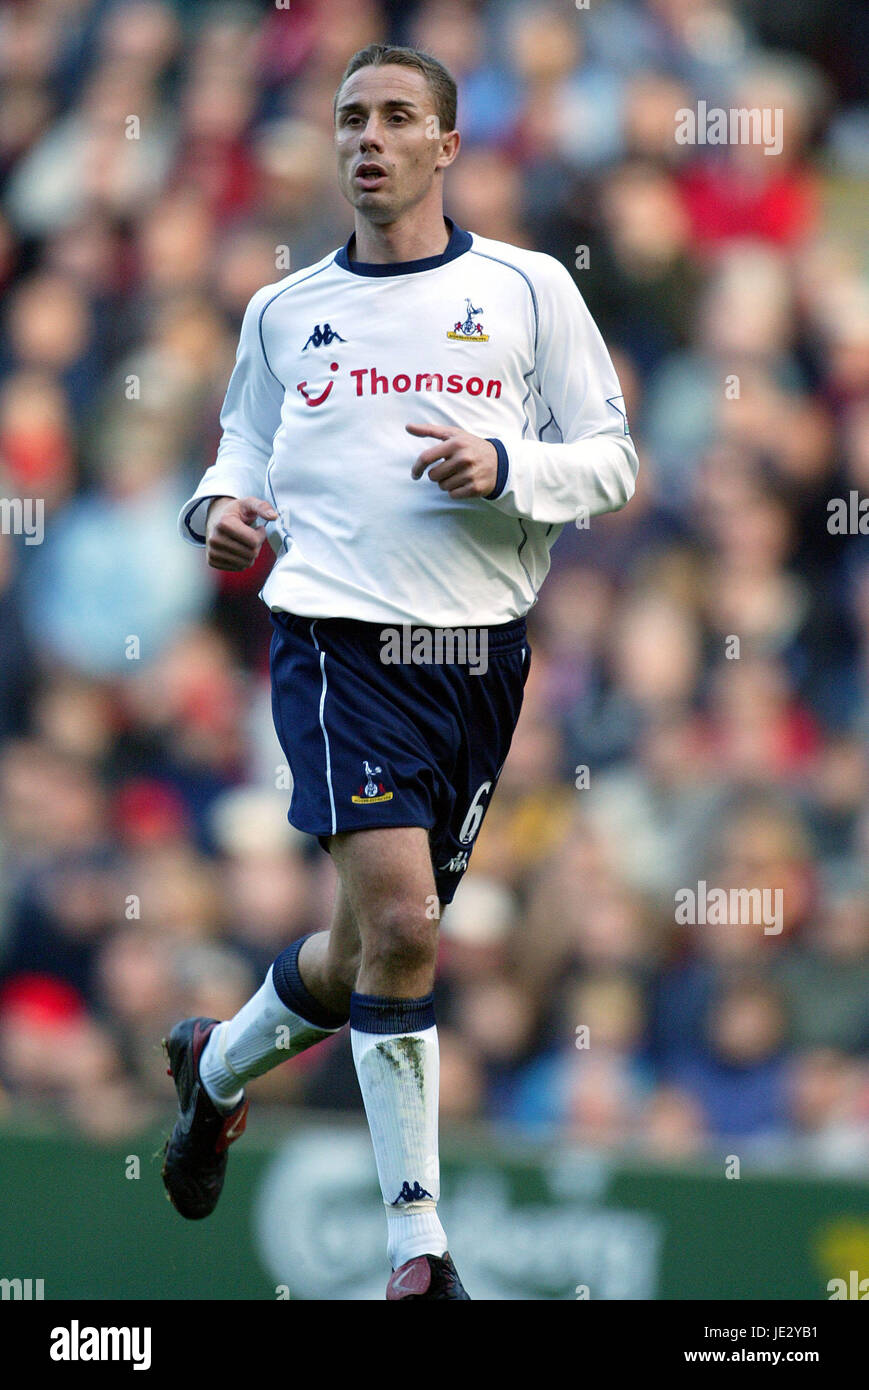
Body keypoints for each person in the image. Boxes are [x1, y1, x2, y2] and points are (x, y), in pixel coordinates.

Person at [163, 42, 638, 1301]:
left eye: (393, 118)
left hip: (478, 661)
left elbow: (611, 462)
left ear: (447, 145)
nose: (365, 138)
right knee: (410, 925)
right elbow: (234, 456)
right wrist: (215, 513)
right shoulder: (282, 310)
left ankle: (214, 1070)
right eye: (347, 119)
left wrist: (505, 464)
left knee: (365, 950)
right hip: (334, 645)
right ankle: (416, 1251)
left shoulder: (528, 290)